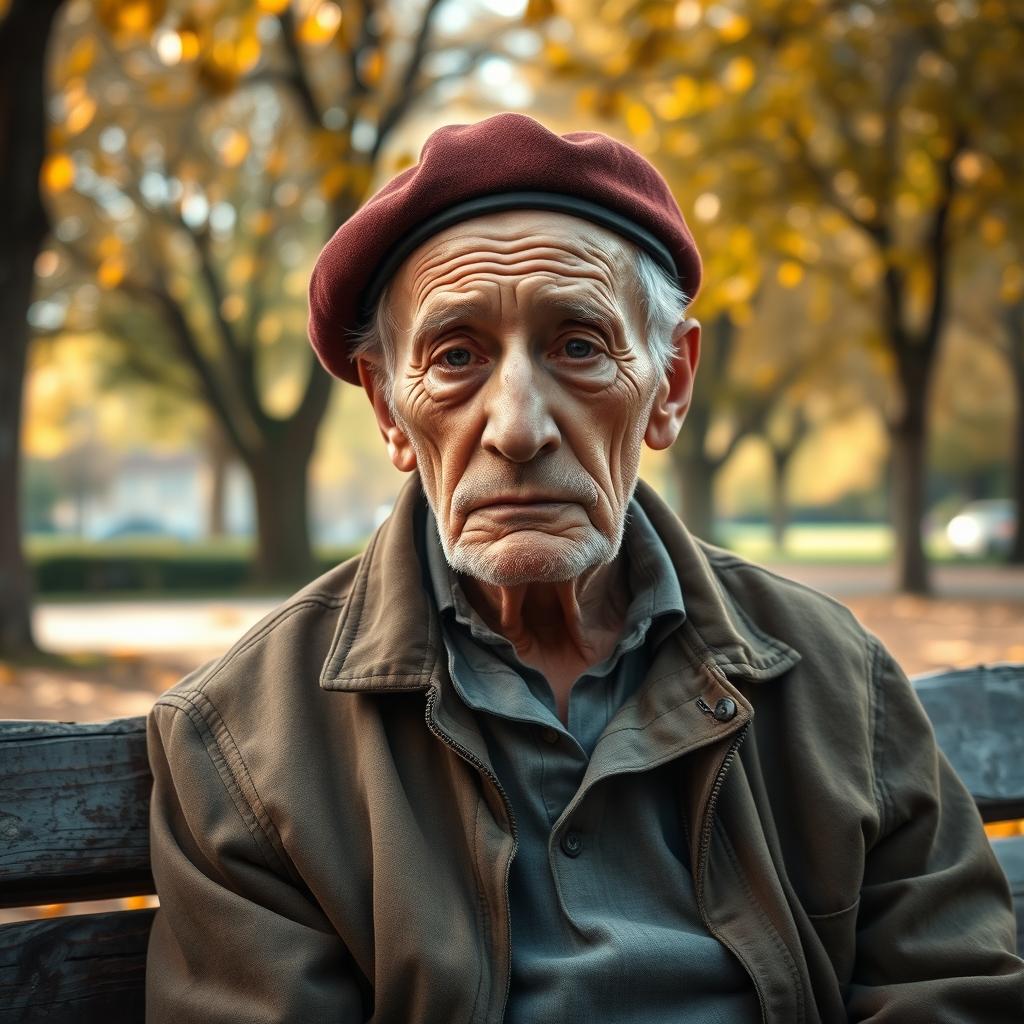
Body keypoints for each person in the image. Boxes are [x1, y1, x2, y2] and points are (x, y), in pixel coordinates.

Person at [145, 112, 1023, 1023]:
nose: (518, 427)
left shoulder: (837, 676)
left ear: (669, 385)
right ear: (388, 408)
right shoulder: (242, 742)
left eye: (578, 346)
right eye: (456, 357)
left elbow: (953, 990)